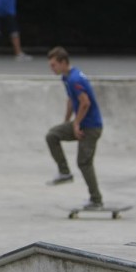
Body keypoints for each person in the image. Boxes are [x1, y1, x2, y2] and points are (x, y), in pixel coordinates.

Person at [45, 46, 103, 209]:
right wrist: (67, 122)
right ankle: (64, 172)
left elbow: (85, 102)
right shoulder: (66, 77)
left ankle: (96, 200)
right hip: (81, 122)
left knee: (84, 162)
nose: (52, 69)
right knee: (52, 135)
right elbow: (71, 100)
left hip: (91, 127)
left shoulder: (75, 79)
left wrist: (76, 123)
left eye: (54, 65)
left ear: (63, 63)